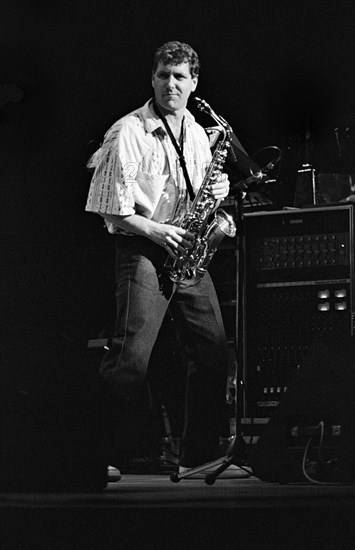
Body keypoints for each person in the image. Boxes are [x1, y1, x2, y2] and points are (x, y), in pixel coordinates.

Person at [85, 41, 231, 477]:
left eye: (180, 77)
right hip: (146, 247)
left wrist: (219, 191)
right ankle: (103, 455)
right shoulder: (128, 131)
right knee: (131, 357)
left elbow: (203, 189)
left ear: (194, 83)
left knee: (213, 354)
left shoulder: (201, 133)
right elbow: (110, 206)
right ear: (153, 78)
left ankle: (200, 453)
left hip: (186, 251)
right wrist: (155, 230)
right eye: (164, 75)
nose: (171, 84)